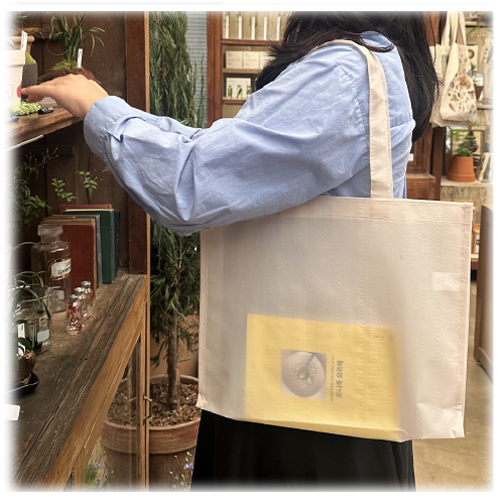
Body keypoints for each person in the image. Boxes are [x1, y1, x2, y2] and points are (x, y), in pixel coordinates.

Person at [23, 11, 438, 490]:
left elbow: (192, 184)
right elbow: (221, 152)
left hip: (302, 401)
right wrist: (105, 106)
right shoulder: (373, 58)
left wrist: (100, 109)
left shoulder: (345, 71)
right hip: (331, 378)